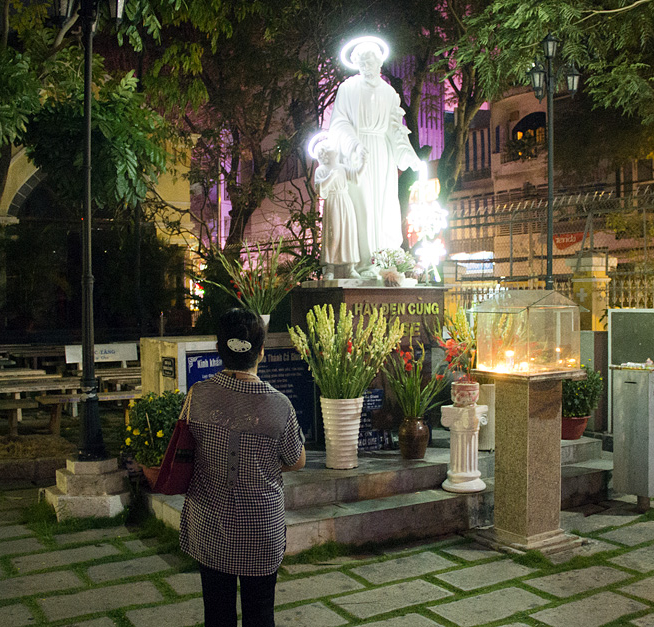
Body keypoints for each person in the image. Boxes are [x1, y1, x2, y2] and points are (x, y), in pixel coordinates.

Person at [179, 308, 306, 627]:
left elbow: (187, 446)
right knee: (260, 613)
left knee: (217, 612)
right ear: (261, 351)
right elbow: (296, 460)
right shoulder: (279, 405)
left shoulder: (198, 396)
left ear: (219, 348)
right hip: (261, 528)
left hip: (209, 523)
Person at [329, 38, 423, 277]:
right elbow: (339, 122)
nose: (366, 64)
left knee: (385, 206)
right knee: (362, 207)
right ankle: (363, 262)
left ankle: (386, 260)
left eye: (369, 59)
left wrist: (407, 153)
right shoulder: (347, 88)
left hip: (383, 154)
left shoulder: (390, 93)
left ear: (379, 61)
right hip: (357, 156)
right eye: (361, 60)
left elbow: (395, 127)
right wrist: (354, 145)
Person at [313, 138, 361, 280]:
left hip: (345, 200)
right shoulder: (320, 170)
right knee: (333, 234)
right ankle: (330, 267)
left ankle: (350, 267)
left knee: (349, 233)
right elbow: (319, 188)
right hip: (332, 201)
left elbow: (356, 176)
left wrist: (364, 162)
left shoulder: (342, 167)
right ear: (325, 154)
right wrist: (330, 176)